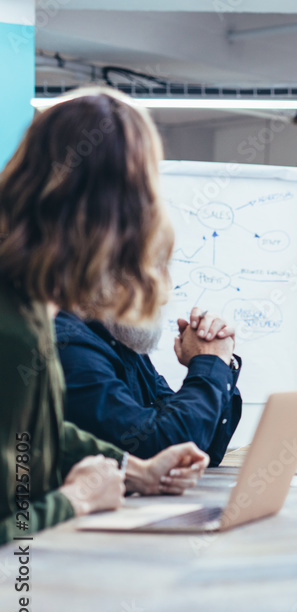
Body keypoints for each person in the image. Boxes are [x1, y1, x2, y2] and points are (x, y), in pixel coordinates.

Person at [0, 88, 209, 544]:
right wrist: (74, 501)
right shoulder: (15, 329)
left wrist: (134, 470)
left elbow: (36, 433)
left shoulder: (31, 306)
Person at [55, 305, 242, 467]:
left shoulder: (124, 345)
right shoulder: (71, 346)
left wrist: (222, 362)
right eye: (154, 272)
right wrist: (209, 362)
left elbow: (203, 449)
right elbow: (164, 449)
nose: (165, 293)